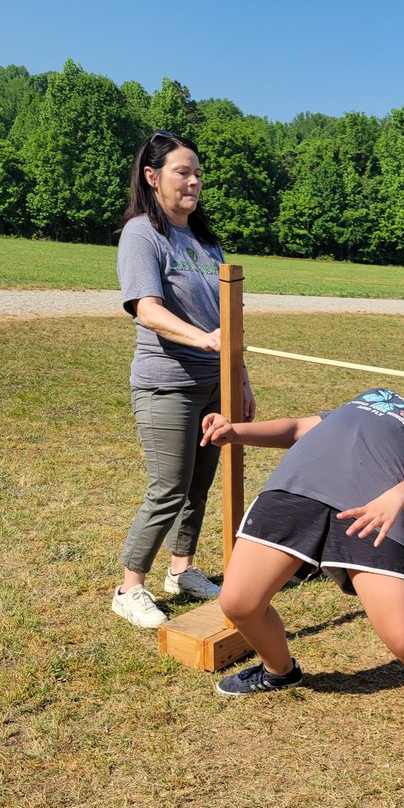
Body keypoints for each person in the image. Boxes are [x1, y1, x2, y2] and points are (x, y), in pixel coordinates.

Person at [200, 367, 404, 755]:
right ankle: (280, 671)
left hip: (374, 516)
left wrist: (394, 499)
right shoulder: (378, 394)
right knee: (239, 603)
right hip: (295, 493)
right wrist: (235, 431)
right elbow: (297, 429)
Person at [113, 130, 255, 629]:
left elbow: (228, 319)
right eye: (182, 172)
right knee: (168, 488)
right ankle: (129, 587)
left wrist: (240, 378)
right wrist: (204, 341)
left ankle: (182, 570)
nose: (194, 181)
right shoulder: (141, 234)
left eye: (197, 173)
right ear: (152, 177)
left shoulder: (204, 240)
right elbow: (146, 309)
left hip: (214, 381)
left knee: (198, 484)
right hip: (165, 382)